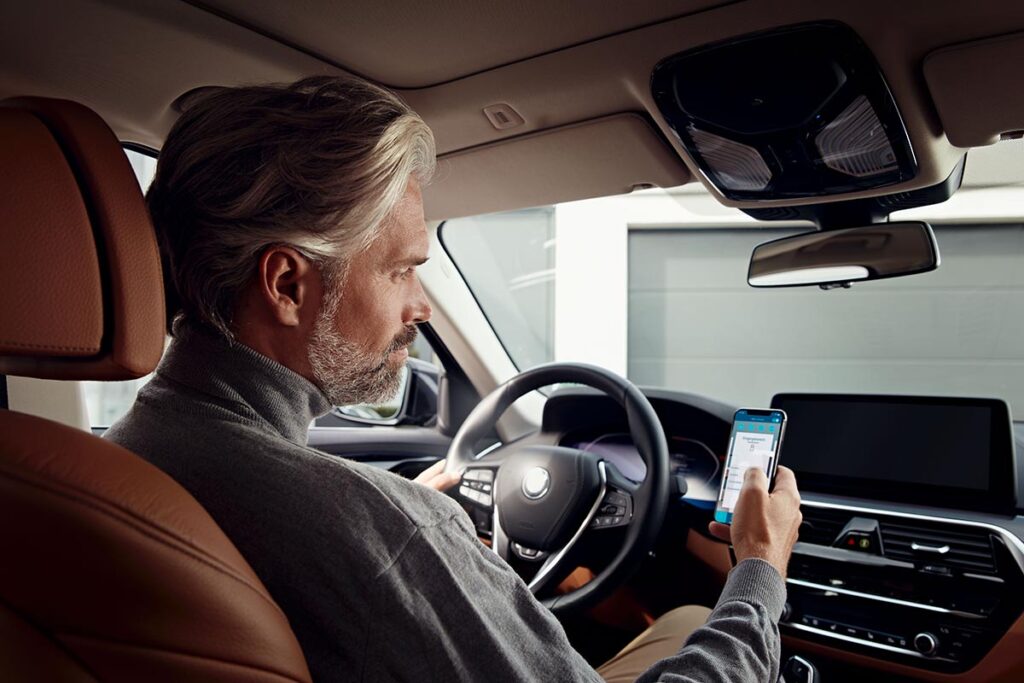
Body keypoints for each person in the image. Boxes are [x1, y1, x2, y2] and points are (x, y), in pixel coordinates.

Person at [105, 75, 803, 682]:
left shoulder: (124, 452)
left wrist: (401, 517)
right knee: (690, 618)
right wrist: (760, 573)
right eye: (402, 268)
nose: (423, 305)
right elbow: (356, 537)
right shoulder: (382, 529)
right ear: (287, 283)